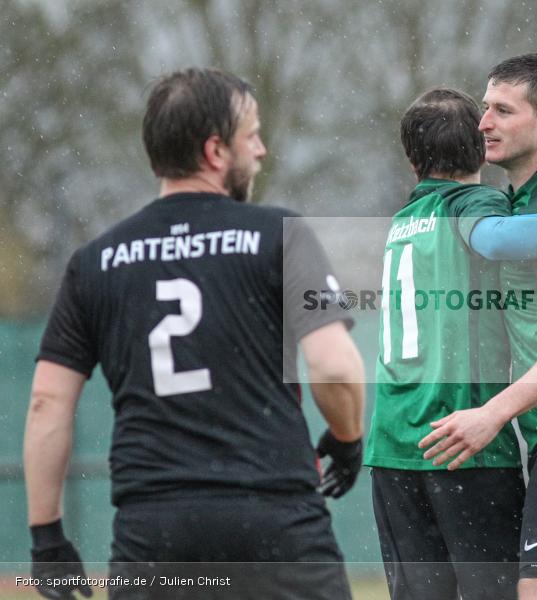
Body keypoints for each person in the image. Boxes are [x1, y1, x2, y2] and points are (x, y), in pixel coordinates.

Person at [23, 67, 365, 600]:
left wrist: (47, 538)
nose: (263, 151)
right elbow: (336, 365)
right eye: (251, 135)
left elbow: (46, 403)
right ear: (215, 152)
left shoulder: (92, 264)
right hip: (275, 526)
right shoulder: (281, 235)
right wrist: (347, 440)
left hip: (153, 536)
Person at [366, 87, 537, 600]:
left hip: (392, 447)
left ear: (411, 160)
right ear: (479, 146)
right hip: (461, 441)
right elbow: (499, 239)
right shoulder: (481, 204)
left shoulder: (403, 222)